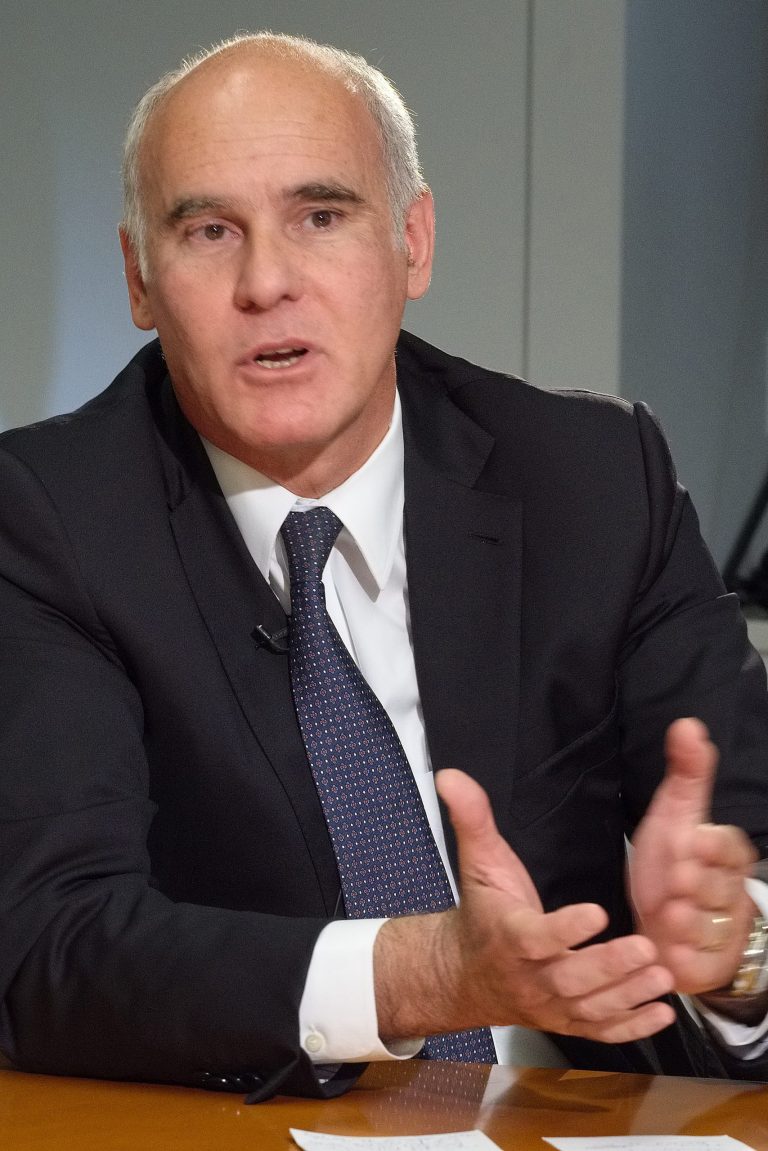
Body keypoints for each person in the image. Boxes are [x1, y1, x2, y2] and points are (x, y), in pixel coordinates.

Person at [1, 32, 768, 1103]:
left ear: (413, 242)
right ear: (138, 276)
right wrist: (422, 975)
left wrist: (733, 945)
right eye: (209, 230)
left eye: (322, 215)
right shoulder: (46, 517)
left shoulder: (592, 478)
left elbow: (744, 841)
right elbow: (52, 943)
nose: (267, 282)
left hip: (591, 1117)